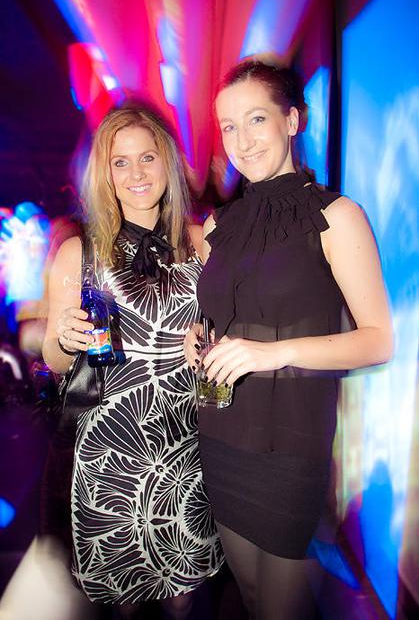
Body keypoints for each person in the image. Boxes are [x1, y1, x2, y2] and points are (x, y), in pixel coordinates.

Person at [184, 60, 393, 619]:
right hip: (220, 434)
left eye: (256, 119)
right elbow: (225, 315)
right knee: (251, 596)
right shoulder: (218, 226)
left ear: (292, 120)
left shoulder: (337, 215)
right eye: (229, 126)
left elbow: (378, 341)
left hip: (290, 446)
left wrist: (273, 352)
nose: (242, 141)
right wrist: (197, 334)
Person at [42, 104, 223, 619]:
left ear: (168, 162)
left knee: (185, 599)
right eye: (120, 162)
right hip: (110, 456)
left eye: (147, 157)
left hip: (188, 451)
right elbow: (55, 362)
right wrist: (65, 338)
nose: (136, 173)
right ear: (106, 173)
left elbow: (225, 328)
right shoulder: (78, 252)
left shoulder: (201, 242)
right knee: (123, 602)